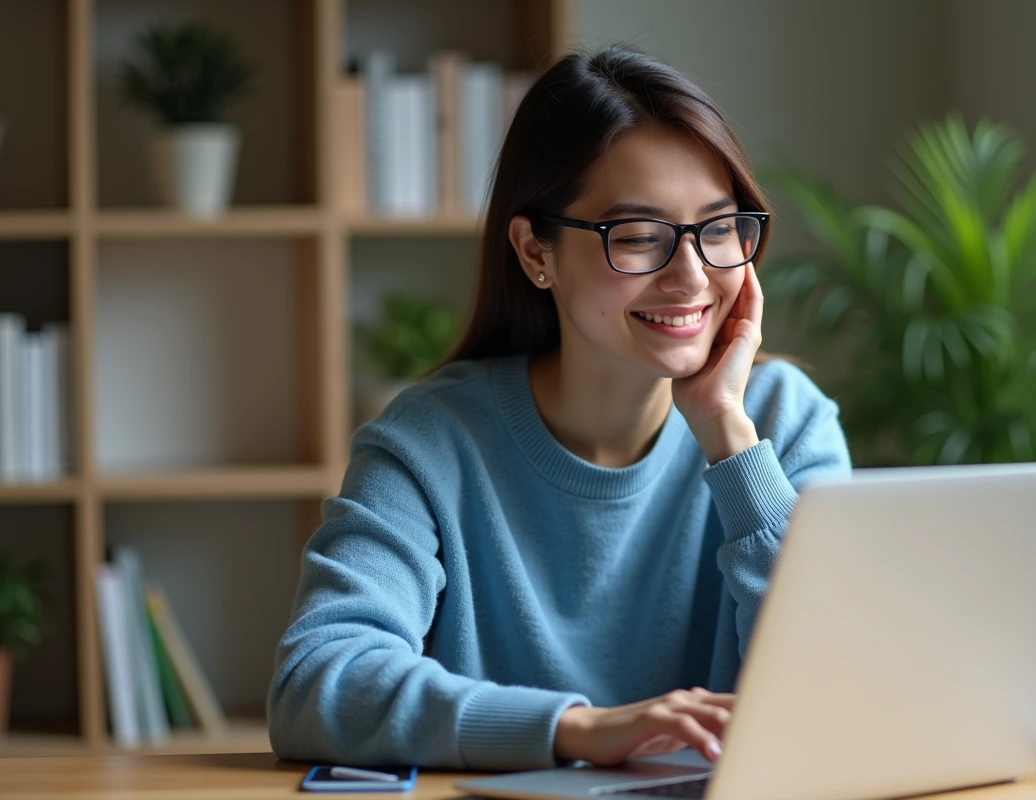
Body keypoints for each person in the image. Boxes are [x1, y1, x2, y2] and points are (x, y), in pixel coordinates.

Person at [267, 44, 851, 772]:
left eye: (719, 228)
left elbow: (840, 689)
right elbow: (319, 682)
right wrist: (577, 728)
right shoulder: (430, 445)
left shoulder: (785, 423)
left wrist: (731, 441)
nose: (693, 275)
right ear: (535, 252)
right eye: (639, 237)